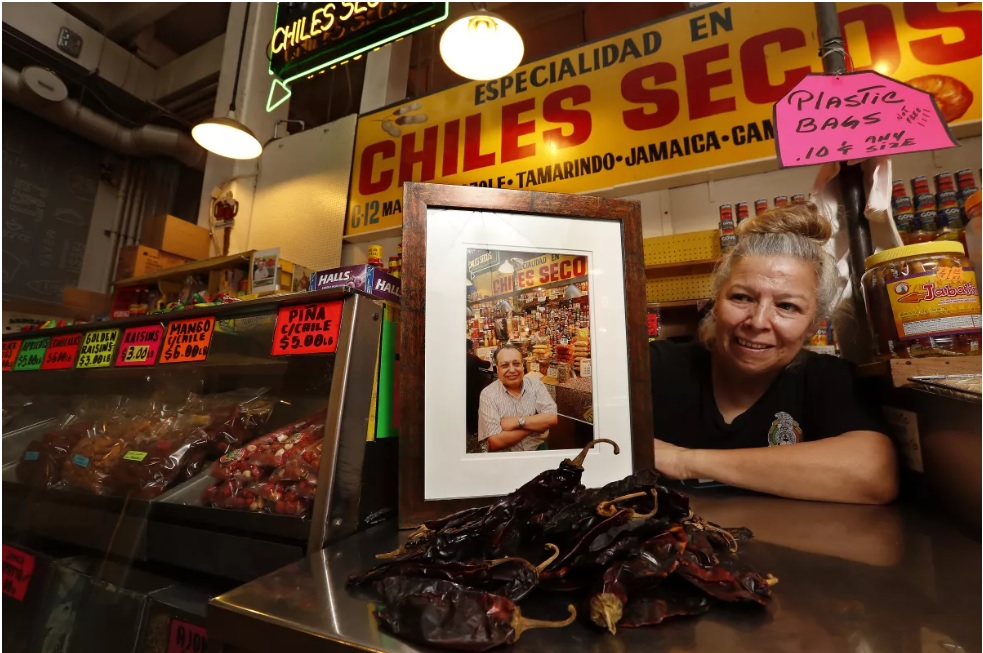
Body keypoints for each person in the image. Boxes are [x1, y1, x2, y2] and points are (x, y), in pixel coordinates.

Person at [650, 203, 898, 505]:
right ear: (715, 303)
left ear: (813, 325)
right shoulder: (656, 366)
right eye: (742, 297)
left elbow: (874, 473)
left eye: (787, 306)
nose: (757, 322)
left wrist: (683, 461)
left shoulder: (825, 378)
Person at [478, 343, 558, 452]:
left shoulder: (536, 385)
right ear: (497, 369)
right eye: (505, 365)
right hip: (507, 458)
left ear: (522, 365)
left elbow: (552, 418)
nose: (512, 370)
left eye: (516, 364)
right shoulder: (488, 395)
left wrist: (518, 422)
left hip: (538, 449)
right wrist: (537, 426)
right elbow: (495, 442)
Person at [465, 340, 492, 451]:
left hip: (465, 388)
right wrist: (488, 359)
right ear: (469, 348)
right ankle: (475, 431)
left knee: (468, 407)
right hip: (474, 388)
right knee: (474, 407)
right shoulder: (471, 358)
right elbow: (486, 364)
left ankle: (471, 429)